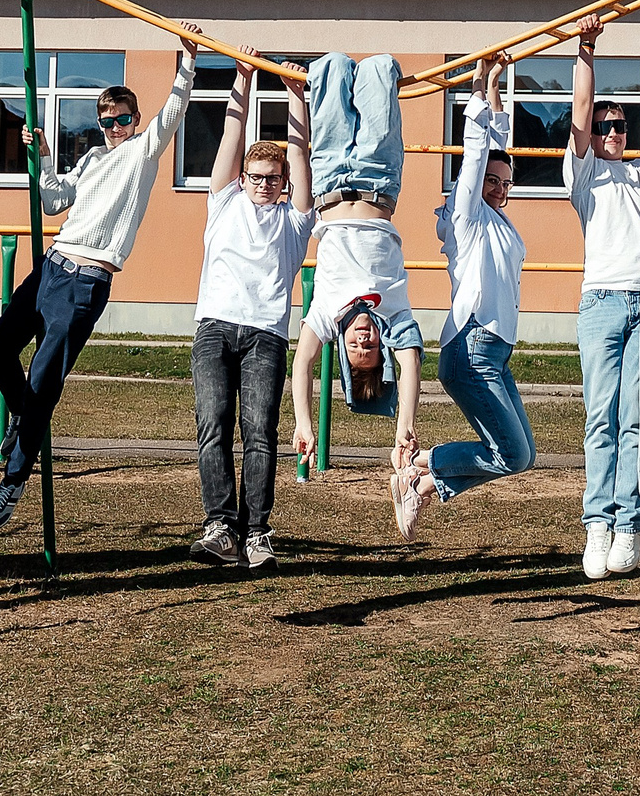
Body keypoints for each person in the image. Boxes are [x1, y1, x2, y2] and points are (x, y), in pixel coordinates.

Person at [0, 24, 204, 532]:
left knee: (43, 381)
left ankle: (14, 478)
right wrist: (40, 160)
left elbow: (175, 111)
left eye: (124, 118)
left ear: (136, 119)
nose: (116, 127)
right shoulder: (94, 155)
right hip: (52, 265)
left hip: (86, 279)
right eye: (108, 120)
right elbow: (56, 201)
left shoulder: (143, 151)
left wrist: (187, 58)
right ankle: (19, 417)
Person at [392, 55, 532, 527]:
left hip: (493, 351)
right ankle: (423, 469)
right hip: (472, 347)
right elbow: (477, 154)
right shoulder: (465, 219)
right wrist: (474, 87)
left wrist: (494, 84)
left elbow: (495, 143)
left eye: (506, 184)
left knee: (523, 455)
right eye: (491, 182)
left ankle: (423, 480)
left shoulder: (501, 222)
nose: (498, 189)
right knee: (510, 454)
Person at [290, 54, 427, 532]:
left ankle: (324, 69)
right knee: (379, 69)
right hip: (377, 180)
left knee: (329, 68)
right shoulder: (395, 315)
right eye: (373, 349)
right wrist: (402, 428)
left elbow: (302, 363)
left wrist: (303, 422)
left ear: (346, 352)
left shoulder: (326, 315)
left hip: (329, 180)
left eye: (356, 350)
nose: (364, 341)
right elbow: (409, 365)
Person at [190, 51, 314, 569]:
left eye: (273, 177)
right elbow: (229, 135)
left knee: (258, 429)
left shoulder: (295, 220)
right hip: (215, 326)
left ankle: (257, 531)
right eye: (257, 176)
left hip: (265, 333)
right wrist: (242, 77)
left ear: (283, 182)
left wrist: (294, 93)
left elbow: (303, 157)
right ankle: (221, 525)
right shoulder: (224, 201)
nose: (264, 184)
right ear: (243, 179)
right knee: (213, 422)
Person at [567, 12, 640, 578]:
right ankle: (598, 522)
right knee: (601, 418)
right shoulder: (585, 175)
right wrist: (586, 53)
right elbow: (577, 118)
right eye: (607, 127)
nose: (614, 134)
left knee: (636, 421)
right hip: (601, 301)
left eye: (622, 125)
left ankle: (630, 526)